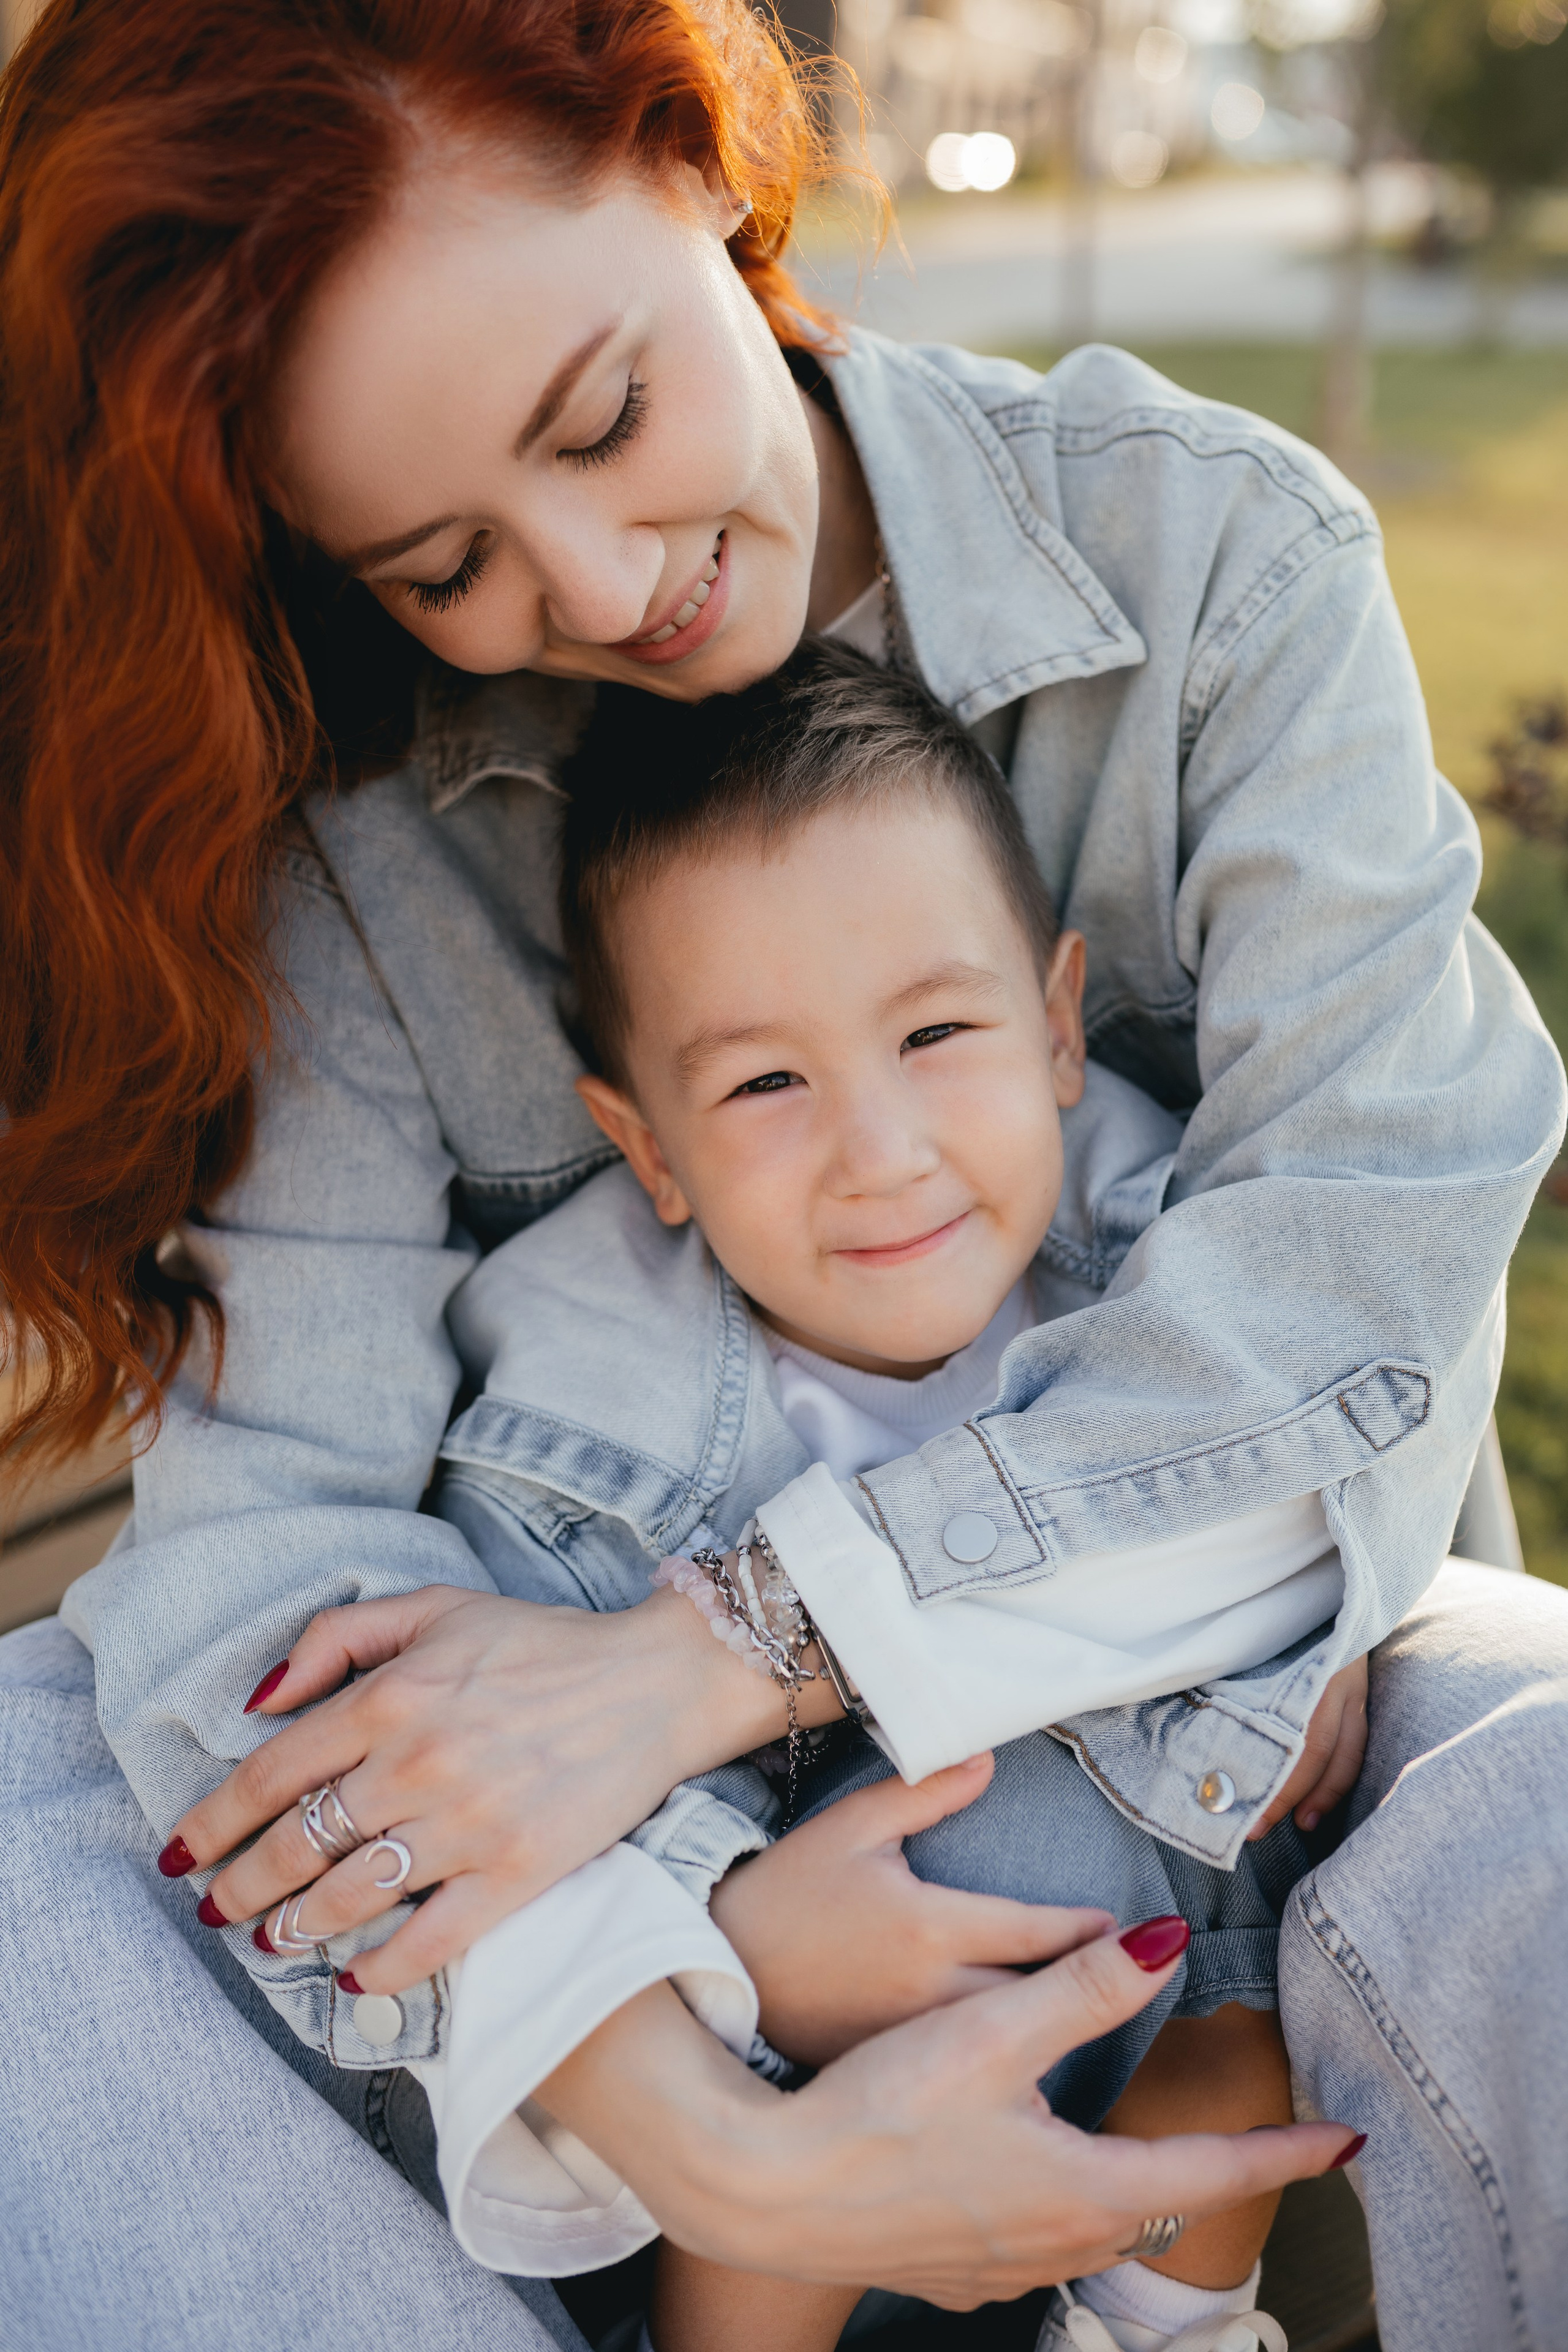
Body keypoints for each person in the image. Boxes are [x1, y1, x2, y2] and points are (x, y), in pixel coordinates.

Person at [1, 4, 1566, 2348]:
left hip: (1256, 1709)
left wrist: (711, 1661)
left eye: (606, 417)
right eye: (443, 563)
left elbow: (1353, 1307)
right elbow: (264, 1565)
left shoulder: (1211, 559)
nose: (600, 584)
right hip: (605, 1878)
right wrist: (700, 2088)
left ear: (690, 155)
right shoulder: (353, 850)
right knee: (34, 1801)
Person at [388, 639, 1370, 2352]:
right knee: (1000, 1866)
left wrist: (1321, 1595)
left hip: (1149, 1989)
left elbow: (1330, 1413)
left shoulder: (1175, 1269)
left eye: (936, 1030)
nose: (883, 1149)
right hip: (770, 2092)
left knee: (1233, 2030)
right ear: (649, 1150)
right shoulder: (572, 1411)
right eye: (766, 1082)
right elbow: (508, 1804)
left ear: (1060, 1025)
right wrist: (733, 1926)